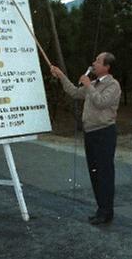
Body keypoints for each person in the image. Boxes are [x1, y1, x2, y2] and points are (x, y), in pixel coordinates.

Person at [50, 53, 121, 225]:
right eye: (94, 60)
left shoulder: (113, 85)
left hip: (104, 133)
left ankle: (106, 211)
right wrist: (61, 75)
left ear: (107, 66)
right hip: (90, 133)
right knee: (95, 173)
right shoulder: (94, 83)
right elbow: (74, 92)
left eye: (97, 61)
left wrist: (89, 85)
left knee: (105, 173)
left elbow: (101, 102)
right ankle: (101, 209)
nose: (93, 63)